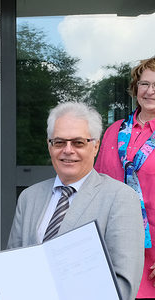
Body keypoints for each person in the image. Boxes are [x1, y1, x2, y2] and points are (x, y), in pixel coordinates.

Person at [8, 101, 144, 300]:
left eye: (78, 142)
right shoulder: (29, 197)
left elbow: (123, 286)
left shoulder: (120, 198)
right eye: (59, 142)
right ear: (49, 145)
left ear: (95, 145)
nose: (68, 150)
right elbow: (13, 268)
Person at [95, 57, 155, 299]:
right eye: (144, 84)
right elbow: (96, 187)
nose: (150, 91)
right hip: (112, 243)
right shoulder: (114, 131)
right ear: (135, 88)